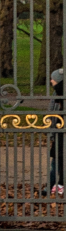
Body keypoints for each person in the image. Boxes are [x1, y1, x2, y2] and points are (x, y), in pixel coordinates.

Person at [50, 68, 64, 196]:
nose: (50, 81)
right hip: (58, 132)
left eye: (53, 79)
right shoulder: (56, 94)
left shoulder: (59, 93)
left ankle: (58, 184)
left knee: (58, 159)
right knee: (57, 159)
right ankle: (55, 184)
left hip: (60, 132)